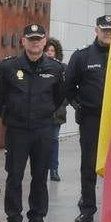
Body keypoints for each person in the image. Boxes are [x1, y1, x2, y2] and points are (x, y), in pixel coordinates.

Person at [0, 23, 66, 222]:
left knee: (40, 175)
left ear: (45, 41)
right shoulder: (8, 67)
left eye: (38, 39)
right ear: (22, 41)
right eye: (30, 39)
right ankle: (14, 219)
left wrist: (46, 113)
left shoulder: (55, 68)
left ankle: (37, 218)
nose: (35, 42)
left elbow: (59, 96)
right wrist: (9, 115)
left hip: (43, 128)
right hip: (17, 130)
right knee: (14, 175)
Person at [65, 15, 111, 222]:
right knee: (89, 164)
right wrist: (78, 105)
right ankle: (87, 208)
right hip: (92, 118)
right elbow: (68, 85)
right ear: (96, 30)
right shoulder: (82, 55)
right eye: (104, 29)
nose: (107, 33)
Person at [45, 37, 66, 182]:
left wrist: (62, 104)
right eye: (47, 50)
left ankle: (54, 169)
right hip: (41, 111)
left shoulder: (63, 68)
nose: (49, 53)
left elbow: (67, 89)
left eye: (52, 50)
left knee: (53, 140)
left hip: (57, 111)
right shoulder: (40, 67)